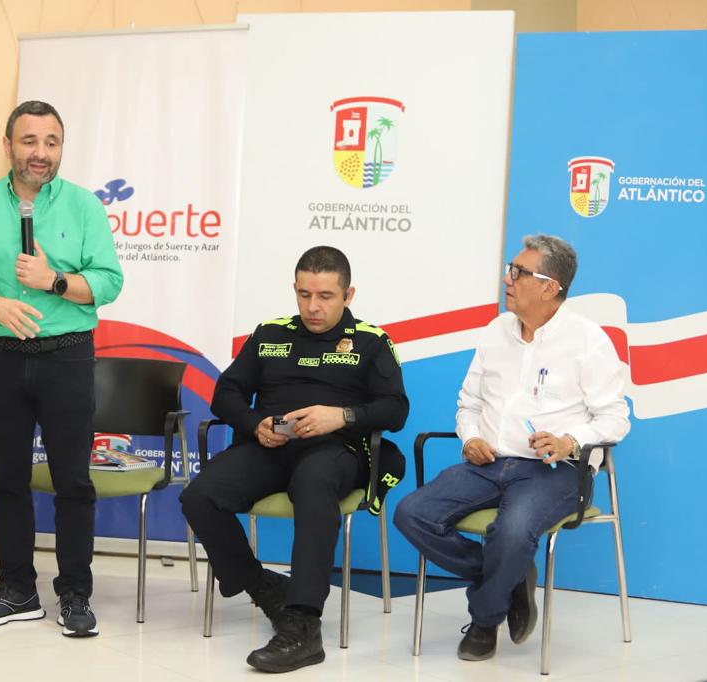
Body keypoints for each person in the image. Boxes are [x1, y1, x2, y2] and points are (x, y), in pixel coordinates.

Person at [394, 234, 631, 662]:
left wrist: (569, 441)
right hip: (488, 463)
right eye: (511, 268)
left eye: (520, 272)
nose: (508, 278)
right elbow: (469, 403)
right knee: (412, 513)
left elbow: (615, 418)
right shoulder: (496, 331)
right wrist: (471, 438)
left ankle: (485, 620)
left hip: (555, 471)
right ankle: (510, 577)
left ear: (550, 287)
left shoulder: (588, 340)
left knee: (512, 531)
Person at [0, 100, 123, 638]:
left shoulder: (84, 207)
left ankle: (75, 594)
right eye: (29, 141)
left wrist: (54, 281)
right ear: (8, 146)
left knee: (72, 481)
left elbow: (108, 282)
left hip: (66, 355)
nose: (41, 153)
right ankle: (17, 589)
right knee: (7, 480)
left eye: (51, 142)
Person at [180, 246, 408, 673]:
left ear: (348, 295)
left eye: (325, 296)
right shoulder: (270, 334)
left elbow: (395, 409)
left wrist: (340, 416)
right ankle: (264, 587)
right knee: (199, 496)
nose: (313, 306)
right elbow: (226, 393)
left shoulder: (371, 341)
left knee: (314, 479)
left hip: (336, 451)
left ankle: (302, 625)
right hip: (269, 447)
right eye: (304, 294)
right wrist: (255, 424)